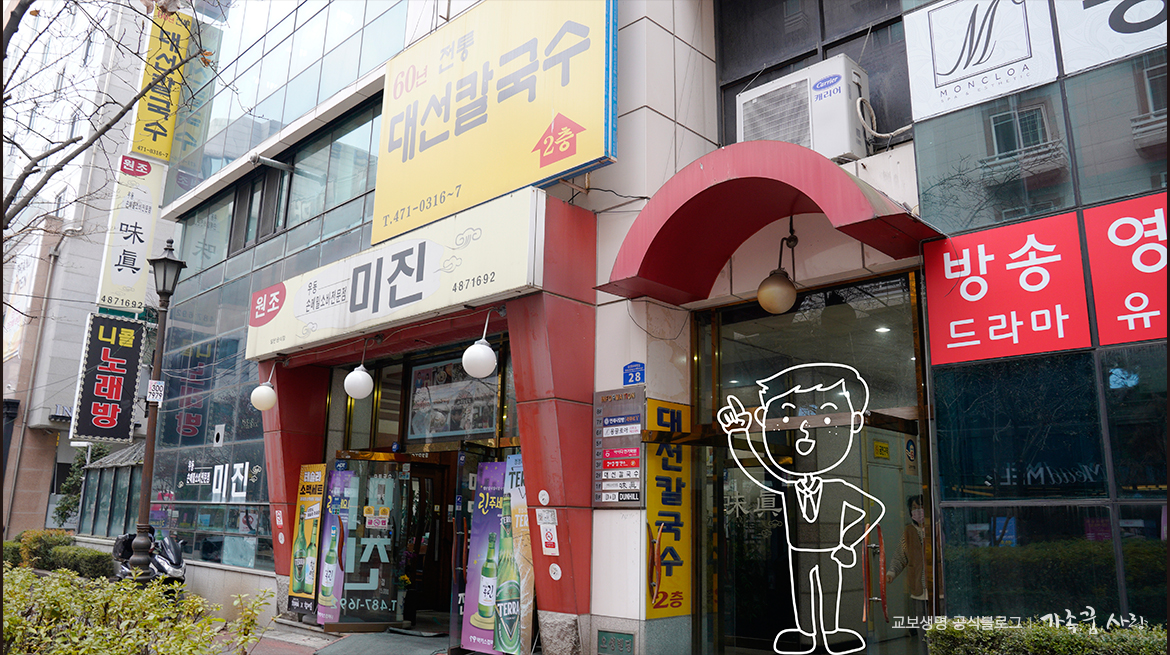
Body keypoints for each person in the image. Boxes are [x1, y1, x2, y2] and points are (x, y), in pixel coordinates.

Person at [719, 363, 884, 655]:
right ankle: (806, 631)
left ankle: (831, 630)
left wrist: (847, 542)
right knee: (803, 591)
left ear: (854, 424)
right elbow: (752, 470)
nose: (805, 432)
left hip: (831, 552)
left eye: (826, 418)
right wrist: (736, 433)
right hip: (799, 551)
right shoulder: (789, 485)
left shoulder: (837, 485)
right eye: (785, 420)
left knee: (830, 590)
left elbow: (874, 510)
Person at [887, 494, 929, 651]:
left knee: (939, 628)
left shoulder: (937, 527)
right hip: (918, 590)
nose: (917, 511)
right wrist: (891, 573)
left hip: (938, 591)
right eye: (914, 508)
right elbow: (900, 556)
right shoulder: (909, 531)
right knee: (923, 631)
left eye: (920, 507)